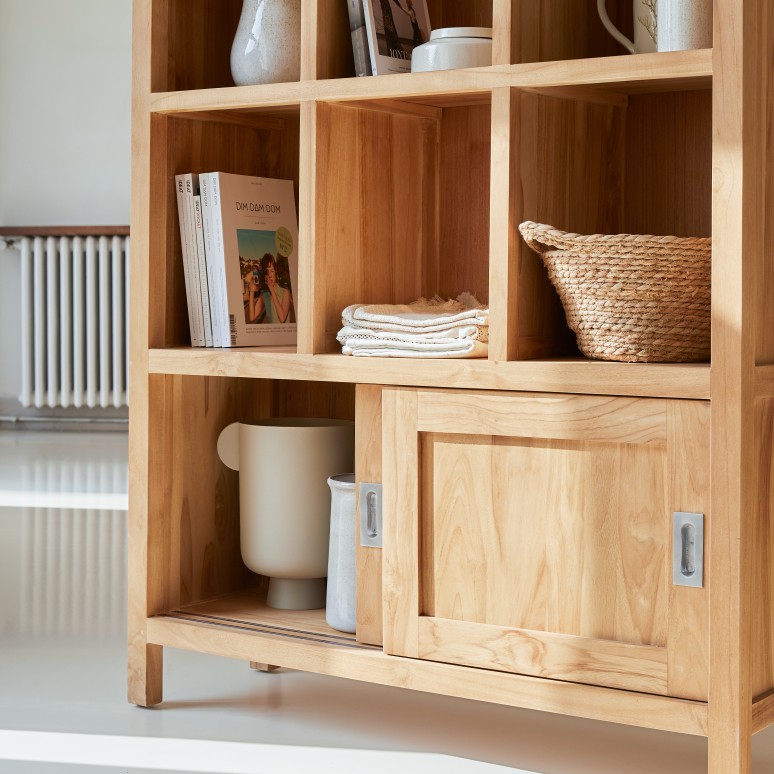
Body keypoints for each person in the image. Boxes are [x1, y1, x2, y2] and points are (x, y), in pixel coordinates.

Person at [247, 253, 293, 324]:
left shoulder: (285, 291)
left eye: (272, 271)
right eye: (267, 271)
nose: (270, 275)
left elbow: (282, 318)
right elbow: (252, 317)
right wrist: (252, 292)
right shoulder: (264, 294)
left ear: (275, 272)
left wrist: (271, 289)